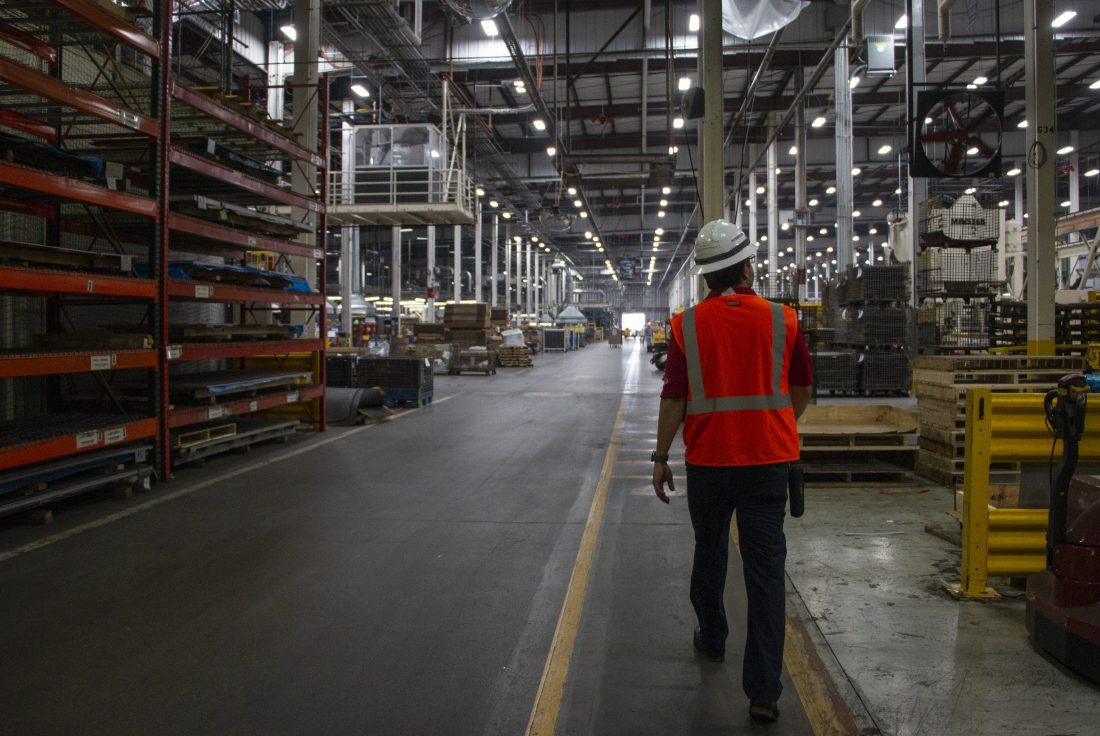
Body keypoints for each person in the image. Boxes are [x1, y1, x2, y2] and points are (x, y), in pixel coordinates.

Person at [650, 219, 812, 724]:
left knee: (710, 549)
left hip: (709, 463)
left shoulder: (687, 325)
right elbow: (802, 389)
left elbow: (674, 396)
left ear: (705, 277)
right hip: (768, 463)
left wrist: (659, 457)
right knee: (766, 575)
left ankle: (713, 636)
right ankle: (763, 692)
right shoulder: (784, 320)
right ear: (745, 266)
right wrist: (772, 423)